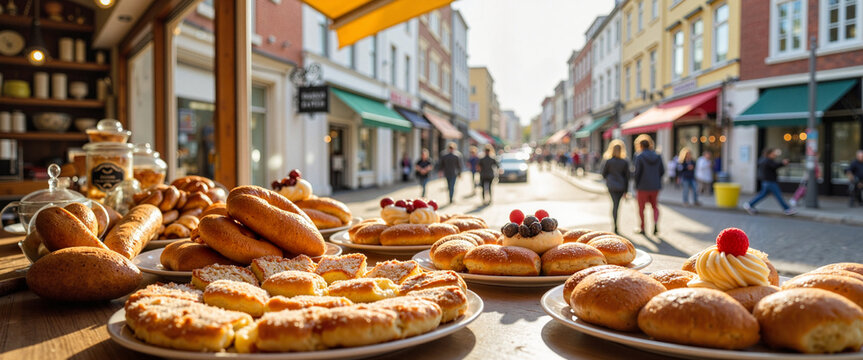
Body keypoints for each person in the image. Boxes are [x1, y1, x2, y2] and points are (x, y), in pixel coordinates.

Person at [743, 149, 797, 215]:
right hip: (770, 182)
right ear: (769, 154)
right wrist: (783, 163)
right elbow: (775, 165)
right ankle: (787, 209)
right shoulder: (767, 161)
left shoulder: (763, 160)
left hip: (766, 181)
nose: (774, 155)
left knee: (762, 195)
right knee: (778, 196)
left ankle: (749, 204)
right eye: (773, 153)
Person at [632, 134, 664, 235]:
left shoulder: (639, 156)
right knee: (655, 207)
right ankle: (655, 224)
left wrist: (636, 185)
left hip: (642, 186)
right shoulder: (658, 156)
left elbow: (637, 173)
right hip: (655, 186)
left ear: (640, 145)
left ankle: (642, 228)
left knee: (642, 208)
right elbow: (662, 171)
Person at [601, 140, 629, 234]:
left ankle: (615, 225)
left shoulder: (608, 161)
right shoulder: (624, 162)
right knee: (617, 205)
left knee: (614, 205)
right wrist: (626, 191)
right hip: (621, 186)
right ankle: (616, 225)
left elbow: (603, 174)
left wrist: (609, 178)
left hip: (612, 186)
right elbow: (627, 177)